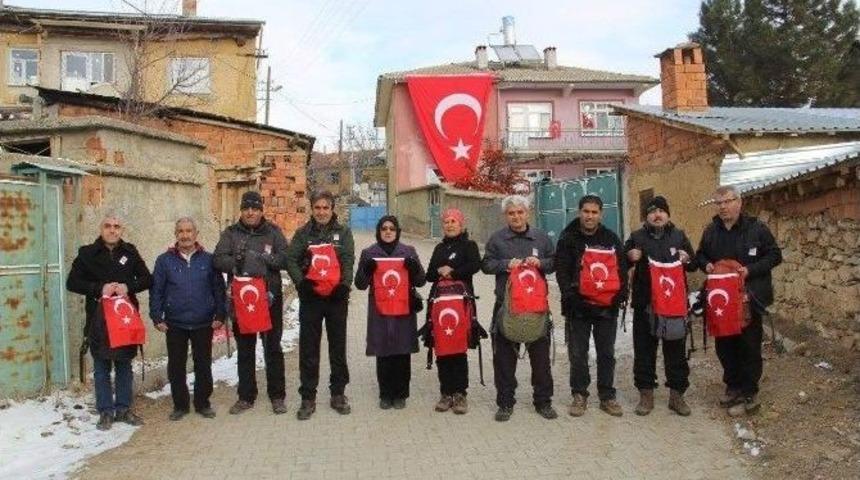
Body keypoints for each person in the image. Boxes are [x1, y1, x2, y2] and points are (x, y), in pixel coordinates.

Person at [696, 185, 782, 416]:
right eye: (719, 202)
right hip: (722, 302)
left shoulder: (757, 229)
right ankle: (732, 386)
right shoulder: (711, 231)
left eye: (728, 201)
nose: (723, 207)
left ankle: (750, 390)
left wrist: (750, 270)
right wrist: (707, 265)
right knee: (725, 346)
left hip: (748, 299)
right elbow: (700, 255)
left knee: (749, 345)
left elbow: (775, 255)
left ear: (739, 202)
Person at [66, 213, 152, 431]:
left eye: (117, 226)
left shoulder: (130, 252)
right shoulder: (87, 254)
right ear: (101, 229)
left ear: (121, 230)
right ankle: (105, 412)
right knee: (102, 368)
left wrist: (128, 287)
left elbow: (147, 278)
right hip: (99, 320)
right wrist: (98, 289)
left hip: (124, 319)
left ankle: (123, 408)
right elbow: (72, 282)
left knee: (124, 365)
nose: (112, 230)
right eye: (108, 226)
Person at [482, 195, 557, 422]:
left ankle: (543, 401)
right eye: (511, 213)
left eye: (520, 212)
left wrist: (541, 263)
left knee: (541, 359)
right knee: (504, 359)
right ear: (506, 216)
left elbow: (554, 262)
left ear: (528, 213)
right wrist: (505, 265)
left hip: (536, 308)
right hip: (507, 307)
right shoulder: (497, 239)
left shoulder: (541, 238)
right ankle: (505, 402)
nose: (516, 216)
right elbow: (485, 265)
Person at [213, 191, 289, 415]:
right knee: (245, 349)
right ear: (241, 210)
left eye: (254, 208)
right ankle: (246, 396)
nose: (250, 212)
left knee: (272, 347)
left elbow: (285, 257)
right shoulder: (231, 233)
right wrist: (239, 263)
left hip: (269, 299)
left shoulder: (273, 232)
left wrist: (265, 260)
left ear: (261, 210)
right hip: (241, 301)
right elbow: (218, 259)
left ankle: (277, 396)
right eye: (246, 208)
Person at [555, 194, 628, 417]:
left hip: (607, 308)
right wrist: (571, 297)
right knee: (578, 353)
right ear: (579, 212)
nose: (589, 216)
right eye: (586, 211)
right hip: (578, 307)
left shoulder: (611, 238)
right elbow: (562, 270)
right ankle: (579, 394)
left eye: (594, 212)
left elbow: (622, 269)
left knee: (606, 353)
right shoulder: (568, 238)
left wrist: (619, 296)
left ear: (600, 214)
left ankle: (607, 395)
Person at [285, 190, 355, 420]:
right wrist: (301, 283)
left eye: (326, 207)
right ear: (312, 209)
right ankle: (308, 397)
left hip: (336, 299)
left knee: (337, 347)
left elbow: (347, 260)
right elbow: (291, 259)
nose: (322, 212)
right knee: (309, 348)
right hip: (312, 299)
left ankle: (338, 393)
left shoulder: (343, 232)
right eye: (318, 208)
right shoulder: (303, 234)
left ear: (332, 209)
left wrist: (344, 286)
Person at [624, 196, 696, 416]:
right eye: (652, 212)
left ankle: (677, 396)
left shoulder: (679, 236)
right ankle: (646, 396)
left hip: (674, 305)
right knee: (644, 351)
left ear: (668, 214)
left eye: (661, 211)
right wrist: (629, 257)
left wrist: (688, 259)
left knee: (675, 351)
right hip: (646, 304)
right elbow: (620, 261)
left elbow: (693, 264)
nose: (657, 215)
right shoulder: (636, 237)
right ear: (647, 216)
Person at [150, 217, 226, 420]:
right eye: (181, 231)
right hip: (175, 322)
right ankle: (180, 405)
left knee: (203, 364)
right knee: (176, 366)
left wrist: (220, 314)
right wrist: (156, 316)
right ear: (176, 235)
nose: (185, 235)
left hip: (203, 321)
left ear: (196, 234)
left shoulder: (209, 260)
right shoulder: (164, 261)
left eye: (189, 231)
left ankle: (203, 403)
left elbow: (218, 288)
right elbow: (156, 290)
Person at [354, 216, 426, 410]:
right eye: (384, 228)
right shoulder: (369, 253)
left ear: (397, 231)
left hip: (403, 309)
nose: (388, 231)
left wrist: (414, 268)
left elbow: (421, 280)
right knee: (383, 351)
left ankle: (401, 394)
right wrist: (366, 271)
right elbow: (360, 284)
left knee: (402, 351)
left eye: (392, 228)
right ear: (378, 231)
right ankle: (385, 394)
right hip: (380, 310)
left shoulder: (408, 252)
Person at [425, 208, 482, 414]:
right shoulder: (439, 248)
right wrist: (439, 270)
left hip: (461, 304)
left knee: (458, 347)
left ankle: (460, 394)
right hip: (440, 304)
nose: (449, 225)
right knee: (441, 347)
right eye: (446, 222)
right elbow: (429, 275)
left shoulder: (469, 245)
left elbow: (476, 265)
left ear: (461, 224)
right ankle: (446, 392)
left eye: (453, 221)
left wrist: (454, 271)